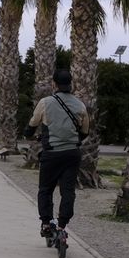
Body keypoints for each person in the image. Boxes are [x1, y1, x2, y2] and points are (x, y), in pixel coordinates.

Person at [26, 67, 92, 242]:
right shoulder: (79, 105)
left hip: (52, 154)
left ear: (54, 84)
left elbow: (33, 123)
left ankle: (46, 223)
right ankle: (62, 224)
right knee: (68, 190)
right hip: (72, 154)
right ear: (71, 84)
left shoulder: (45, 103)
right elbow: (85, 131)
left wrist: (28, 135)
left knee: (45, 189)